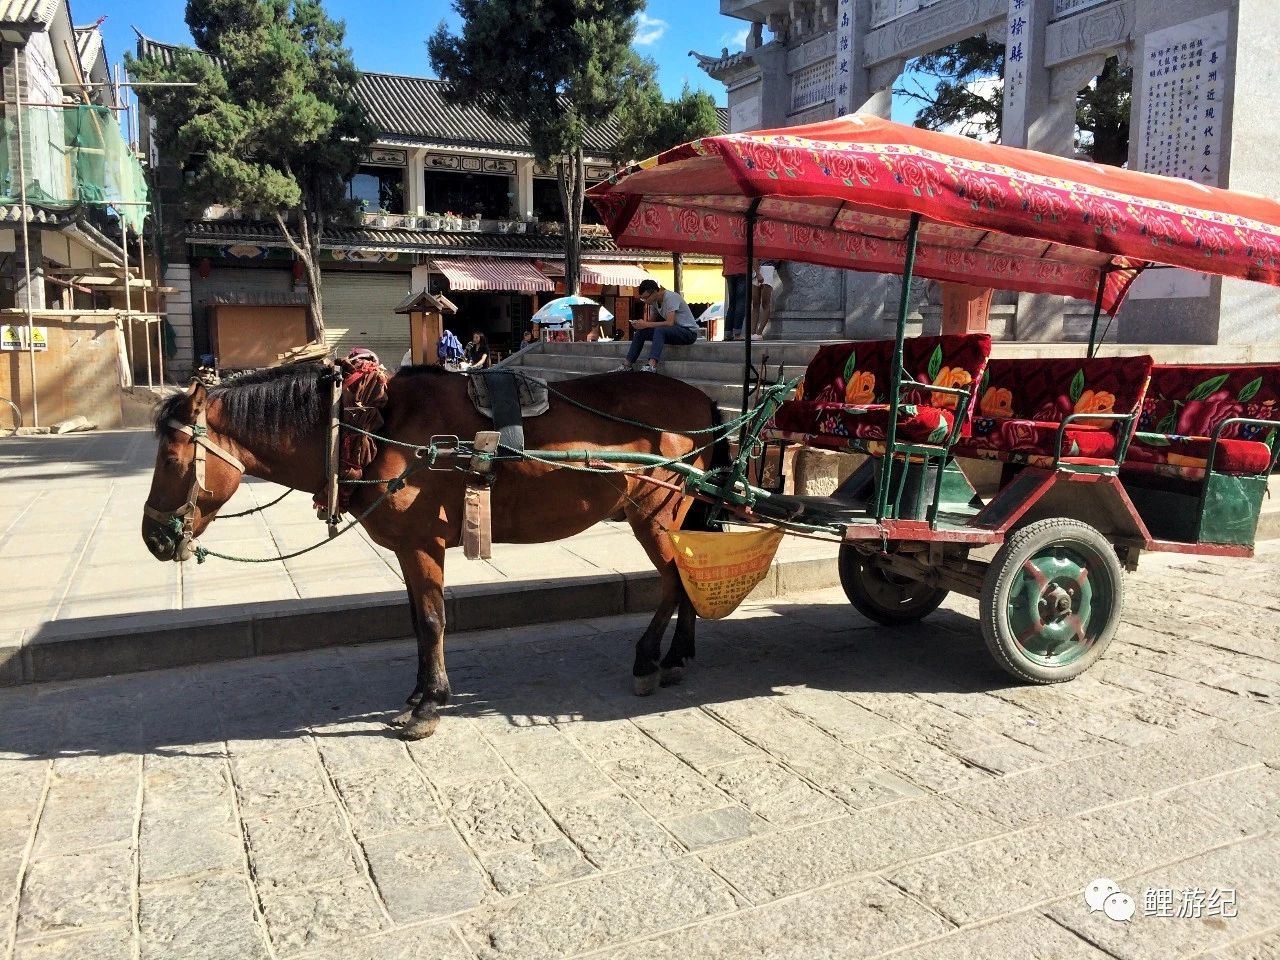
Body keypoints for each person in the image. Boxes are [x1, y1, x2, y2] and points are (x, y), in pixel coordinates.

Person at [613, 278, 698, 373]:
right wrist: (641, 325)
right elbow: (650, 323)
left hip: (688, 333)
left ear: (654, 292)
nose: (645, 301)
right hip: (674, 332)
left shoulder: (671, 297)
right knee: (641, 333)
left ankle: (652, 365)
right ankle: (627, 365)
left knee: (660, 330)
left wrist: (646, 324)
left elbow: (670, 322)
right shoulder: (654, 302)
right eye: (642, 298)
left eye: (646, 297)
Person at [722, 255, 748, 341]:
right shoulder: (744, 241)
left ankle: (727, 333)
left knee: (732, 304)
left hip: (729, 271)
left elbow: (723, 256)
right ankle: (737, 333)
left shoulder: (727, 241)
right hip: (742, 270)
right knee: (740, 303)